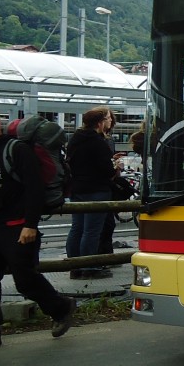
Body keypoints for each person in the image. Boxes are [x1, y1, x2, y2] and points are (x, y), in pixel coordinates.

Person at [0, 108, 75, 349]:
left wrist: (30, 225)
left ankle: (61, 307)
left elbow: (34, 189)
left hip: (18, 227)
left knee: (24, 280)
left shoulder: (17, 150)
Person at [64, 107, 117, 280]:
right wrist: (116, 167)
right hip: (96, 190)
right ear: (100, 123)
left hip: (77, 188)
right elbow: (107, 170)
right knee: (92, 231)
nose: (110, 121)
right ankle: (89, 268)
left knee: (77, 228)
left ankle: (74, 267)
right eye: (108, 118)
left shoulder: (75, 139)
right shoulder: (98, 142)